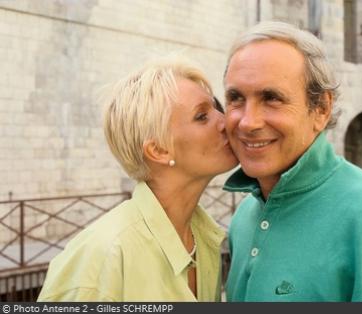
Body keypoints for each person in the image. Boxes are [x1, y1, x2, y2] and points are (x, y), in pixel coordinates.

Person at [223, 21, 362, 302]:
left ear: (321, 108)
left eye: (272, 98)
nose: (248, 122)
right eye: (235, 98)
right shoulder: (244, 218)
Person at [37, 57, 238, 301]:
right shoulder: (102, 259)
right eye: (202, 116)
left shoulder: (205, 238)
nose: (226, 120)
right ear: (159, 151)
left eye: (216, 108)